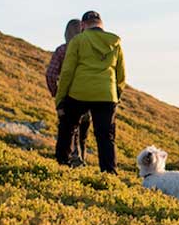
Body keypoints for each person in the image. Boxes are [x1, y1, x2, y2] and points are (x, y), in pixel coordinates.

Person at [55, 10, 126, 174]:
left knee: (68, 127)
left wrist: (60, 99)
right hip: (106, 95)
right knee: (106, 137)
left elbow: (67, 72)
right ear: (101, 25)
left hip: (79, 92)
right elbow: (121, 75)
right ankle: (109, 175)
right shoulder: (114, 43)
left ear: (82, 25)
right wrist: (116, 95)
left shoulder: (78, 40)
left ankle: (61, 166)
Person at [45, 18, 91, 167]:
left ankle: (67, 162)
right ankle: (81, 160)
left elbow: (51, 75)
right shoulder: (89, 50)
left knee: (67, 131)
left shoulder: (62, 50)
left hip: (68, 97)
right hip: (88, 97)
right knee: (82, 134)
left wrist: (57, 94)